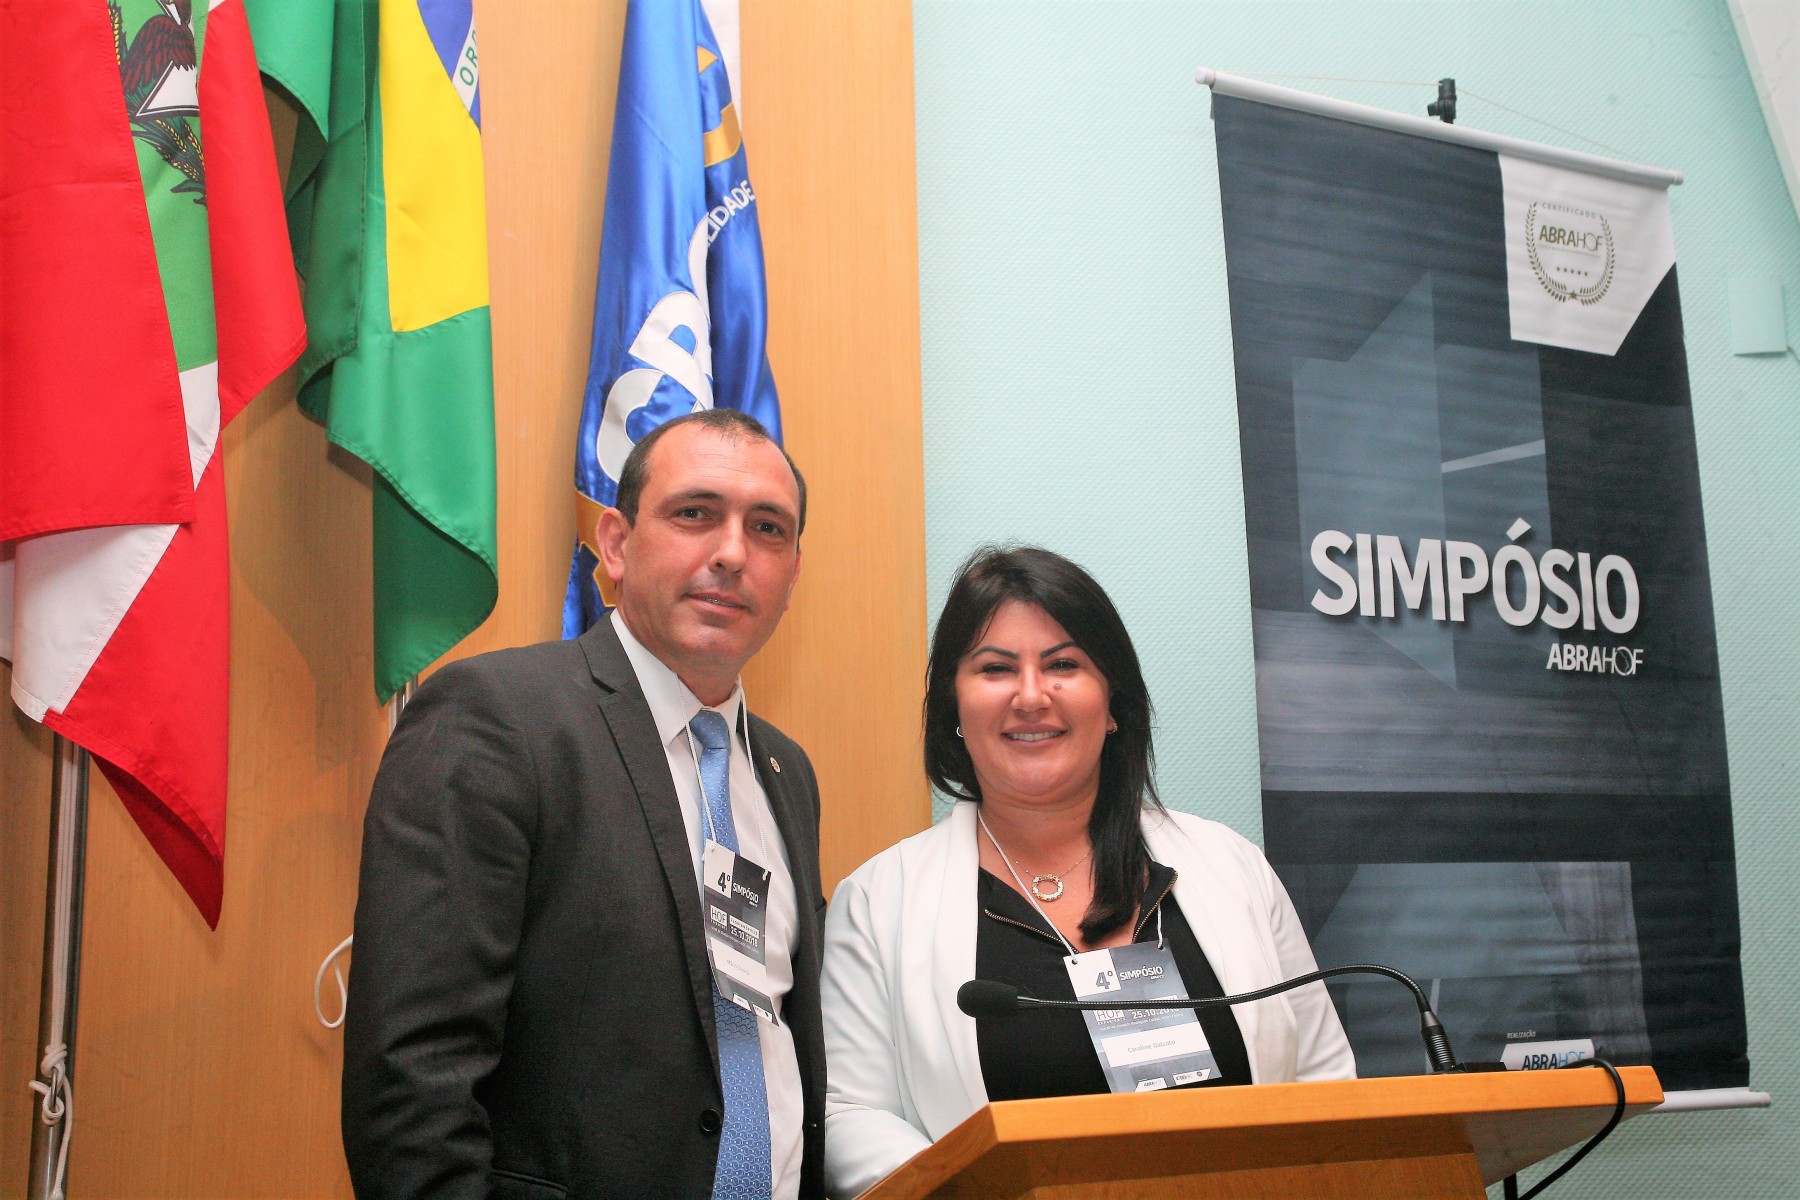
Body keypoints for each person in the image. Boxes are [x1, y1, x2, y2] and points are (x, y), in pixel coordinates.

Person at [342, 409, 827, 1200]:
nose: (733, 553)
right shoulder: (497, 719)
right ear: (616, 544)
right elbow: (413, 1085)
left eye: (767, 528)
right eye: (694, 513)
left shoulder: (786, 773)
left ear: (794, 574)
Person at [820, 546, 1355, 1197]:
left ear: (1113, 703)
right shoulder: (879, 901)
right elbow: (851, 1113)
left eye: (1063, 665)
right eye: (995, 668)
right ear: (953, 709)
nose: (1030, 696)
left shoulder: (1231, 865)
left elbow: (1324, 1080)